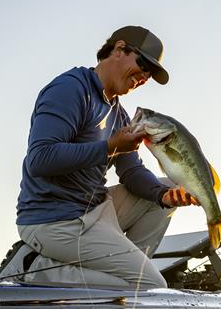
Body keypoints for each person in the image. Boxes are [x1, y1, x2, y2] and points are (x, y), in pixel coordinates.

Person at [15, 26, 197, 289]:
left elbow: (131, 171)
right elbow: (40, 159)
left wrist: (163, 195)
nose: (144, 77)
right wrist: (110, 147)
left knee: (165, 189)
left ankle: (122, 275)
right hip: (54, 221)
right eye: (143, 65)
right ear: (119, 49)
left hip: (95, 209)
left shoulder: (119, 114)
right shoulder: (70, 89)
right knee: (149, 286)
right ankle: (38, 270)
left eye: (149, 74)